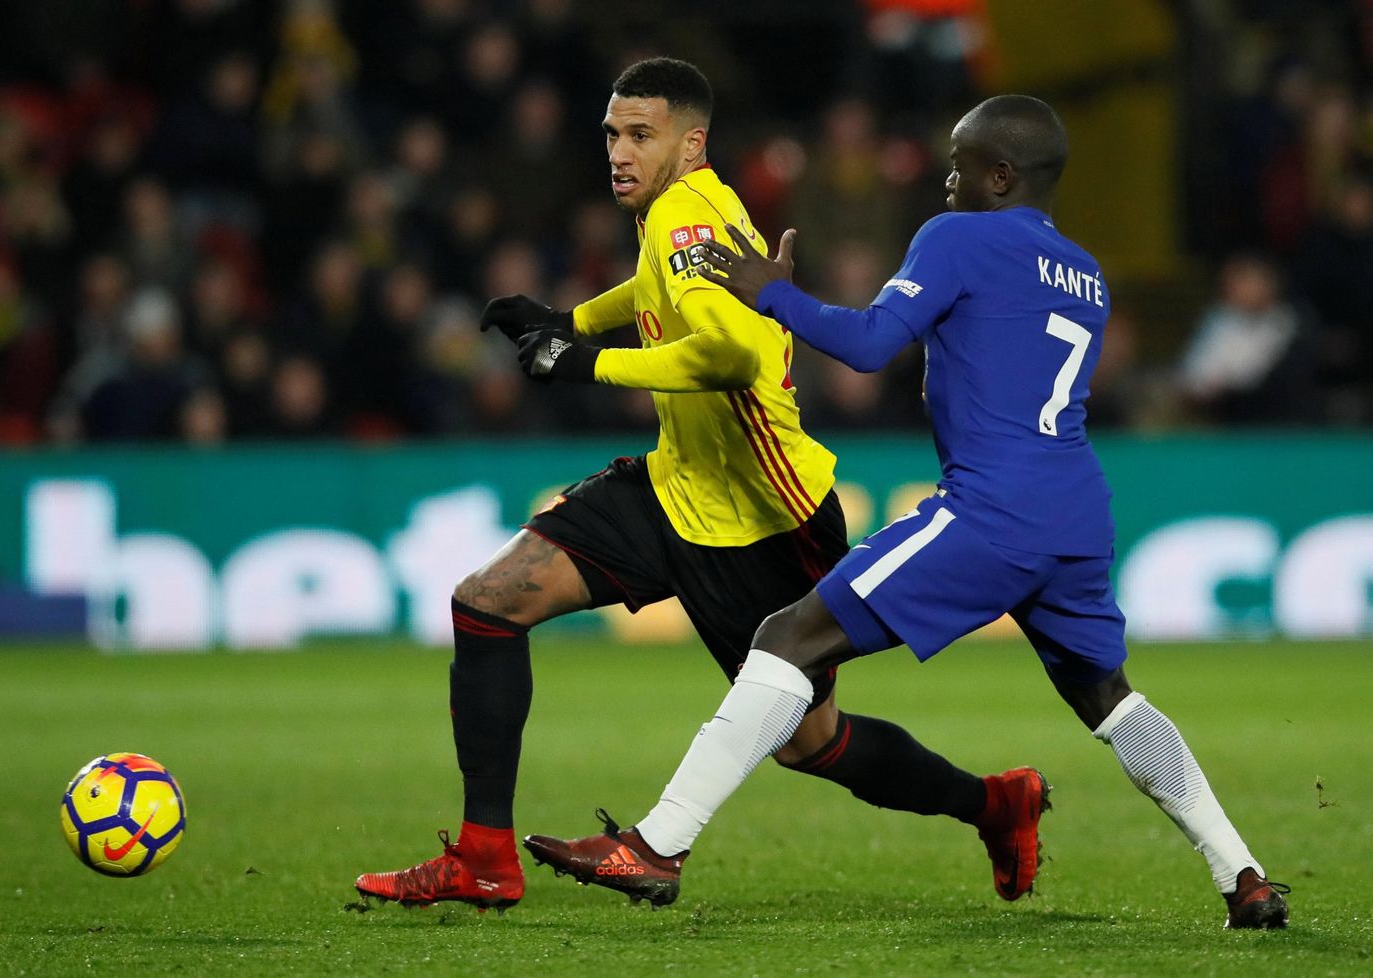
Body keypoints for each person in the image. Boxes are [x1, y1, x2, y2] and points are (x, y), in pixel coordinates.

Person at [523, 95, 1290, 930]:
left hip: (991, 509)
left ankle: (658, 844)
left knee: (787, 638)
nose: (947, 177)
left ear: (1002, 175)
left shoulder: (956, 235)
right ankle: (1241, 873)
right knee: (1109, 696)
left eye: (962, 163)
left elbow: (866, 346)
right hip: (1075, 511)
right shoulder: (1087, 273)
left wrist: (775, 293)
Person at [354, 60, 1040, 914]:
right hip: (677, 486)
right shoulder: (693, 207)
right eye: (611, 132)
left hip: (765, 518)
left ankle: (994, 804)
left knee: (809, 742)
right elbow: (656, 290)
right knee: (489, 602)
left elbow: (726, 356)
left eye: (641, 134)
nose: (619, 150)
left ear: (692, 141)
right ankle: (485, 857)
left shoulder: (681, 216)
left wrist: (585, 361)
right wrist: (570, 320)